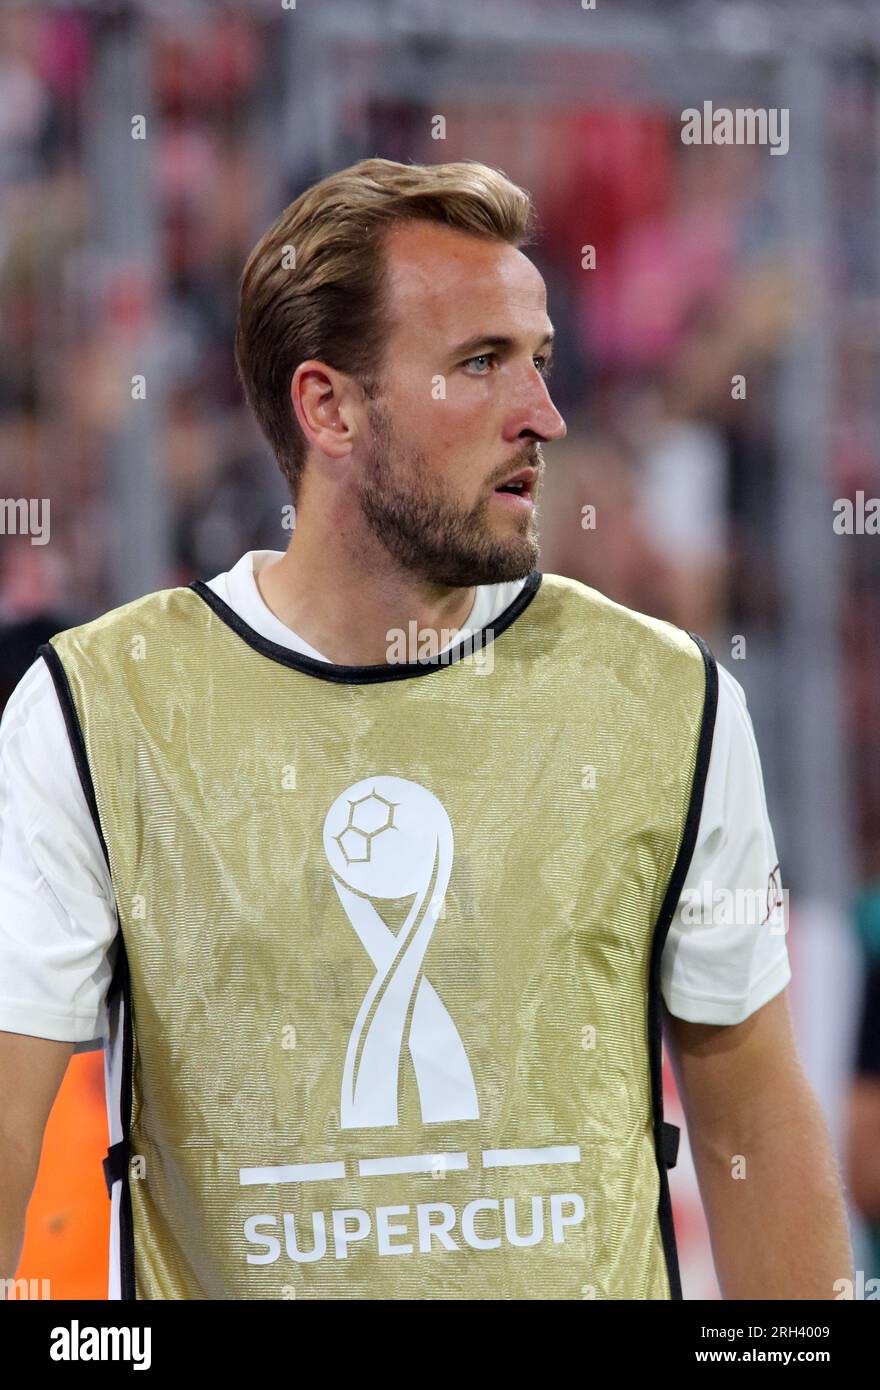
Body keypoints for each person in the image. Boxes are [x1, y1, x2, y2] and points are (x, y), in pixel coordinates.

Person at [0, 158, 852, 1300]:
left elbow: (748, 1094)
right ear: (329, 407)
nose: (543, 415)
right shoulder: (99, 708)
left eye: (541, 360)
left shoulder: (664, 697)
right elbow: (10, 1106)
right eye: (481, 364)